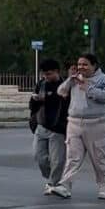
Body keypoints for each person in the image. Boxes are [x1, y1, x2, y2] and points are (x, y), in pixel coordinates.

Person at [49, 54, 105, 200]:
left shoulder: (104, 79)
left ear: (94, 66)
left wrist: (89, 89)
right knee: (72, 157)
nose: (81, 67)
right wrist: (69, 79)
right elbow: (61, 92)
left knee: (100, 158)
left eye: (85, 64)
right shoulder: (75, 79)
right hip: (74, 123)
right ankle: (65, 186)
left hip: (97, 123)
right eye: (79, 64)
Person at [29, 59, 69, 195]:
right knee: (39, 157)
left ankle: (53, 184)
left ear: (57, 72)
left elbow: (63, 102)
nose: (47, 77)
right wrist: (35, 100)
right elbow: (32, 106)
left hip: (58, 128)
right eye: (44, 74)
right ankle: (52, 178)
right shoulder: (41, 84)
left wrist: (46, 99)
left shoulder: (65, 85)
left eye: (49, 74)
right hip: (41, 126)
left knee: (57, 160)